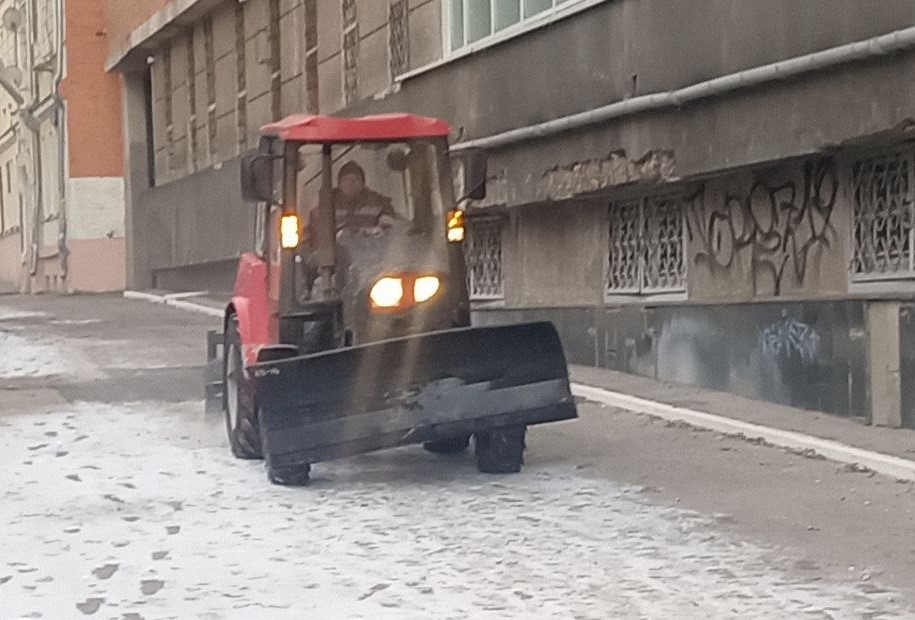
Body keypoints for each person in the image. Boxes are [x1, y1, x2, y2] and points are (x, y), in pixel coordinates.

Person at [332, 161, 395, 236]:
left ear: (363, 183)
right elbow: (318, 227)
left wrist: (379, 228)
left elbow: (389, 220)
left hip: (370, 245)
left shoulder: (377, 202)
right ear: (339, 184)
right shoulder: (328, 203)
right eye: (346, 179)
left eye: (356, 179)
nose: (351, 183)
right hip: (337, 246)